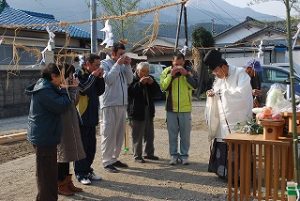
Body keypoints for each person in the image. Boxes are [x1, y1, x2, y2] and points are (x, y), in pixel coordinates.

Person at [25, 63, 72, 201]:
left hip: (46, 135)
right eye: (61, 76)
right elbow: (62, 105)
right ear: (53, 76)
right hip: (44, 137)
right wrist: (64, 89)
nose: (63, 79)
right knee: (46, 175)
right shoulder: (45, 90)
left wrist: (62, 88)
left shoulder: (46, 86)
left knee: (49, 173)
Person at [204, 49, 253, 178]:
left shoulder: (240, 74)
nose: (216, 75)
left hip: (238, 119)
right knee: (222, 143)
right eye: (214, 72)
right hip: (222, 120)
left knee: (238, 146)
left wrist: (223, 94)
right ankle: (223, 173)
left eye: (216, 71)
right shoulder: (219, 79)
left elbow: (243, 96)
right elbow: (216, 92)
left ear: (224, 66)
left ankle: (240, 176)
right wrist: (211, 94)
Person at [100, 42, 133, 173]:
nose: (122, 56)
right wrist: (118, 64)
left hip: (122, 103)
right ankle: (106, 161)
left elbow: (130, 80)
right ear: (113, 53)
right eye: (120, 54)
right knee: (108, 133)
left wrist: (128, 65)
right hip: (109, 104)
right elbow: (108, 80)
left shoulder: (123, 65)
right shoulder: (104, 64)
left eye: (124, 54)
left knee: (119, 134)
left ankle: (114, 158)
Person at [160, 52, 197, 165]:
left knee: (185, 135)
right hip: (171, 108)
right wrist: (171, 75)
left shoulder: (189, 71)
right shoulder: (166, 71)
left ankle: (184, 156)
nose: (178, 67)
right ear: (172, 62)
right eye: (176, 64)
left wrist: (186, 74)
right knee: (172, 134)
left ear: (184, 62)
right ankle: (173, 156)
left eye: (180, 64)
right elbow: (163, 87)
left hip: (185, 108)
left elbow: (195, 86)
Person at [74, 54, 105, 185]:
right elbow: (83, 89)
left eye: (99, 65)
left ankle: (87, 170)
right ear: (87, 63)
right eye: (96, 65)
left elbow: (99, 91)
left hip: (92, 115)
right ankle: (80, 173)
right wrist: (93, 76)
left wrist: (100, 78)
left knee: (91, 146)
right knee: (82, 147)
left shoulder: (93, 76)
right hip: (82, 116)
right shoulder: (78, 74)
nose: (98, 67)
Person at [57, 64, 86, 196]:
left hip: (70, 122)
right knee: (62, 155)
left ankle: (67, 182)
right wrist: (73, 89)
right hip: (62, 124)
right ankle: (60, 183)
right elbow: (68, 102)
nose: (71, 77)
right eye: (69, 74)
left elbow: (74, 102)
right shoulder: (58, 88)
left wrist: (75, 88)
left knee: (68, 154)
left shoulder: (67, 86)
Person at [127, 62, 161, 163]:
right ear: (137, 71)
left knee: (149, 133)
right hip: (136, 111)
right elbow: (131, 92)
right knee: (137, 134)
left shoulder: (150, 78)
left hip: (148, 109)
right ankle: (137, 156)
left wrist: (152, 84)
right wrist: (140, 84)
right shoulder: (132, 79)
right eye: (143, 71)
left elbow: (158, 93)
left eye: (147, 71)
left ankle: (149, 153)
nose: (145, 73)